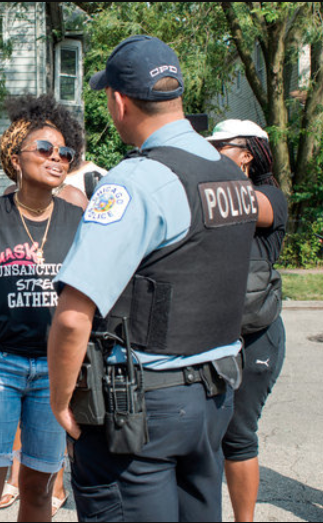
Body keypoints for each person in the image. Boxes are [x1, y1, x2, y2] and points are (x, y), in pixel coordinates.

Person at [48, 35, 259, 522]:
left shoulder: (137, 181)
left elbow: (74, 315)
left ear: (119, 101)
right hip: (215, 397)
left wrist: (60, 401)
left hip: (144, 410)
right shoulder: (228, 173)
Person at [0, 93, 84, 522]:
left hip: (55, 370)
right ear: (16, 156)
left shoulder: (78, 220)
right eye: (44, 149)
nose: (57, 158)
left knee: (39, 490)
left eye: (65, 152)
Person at [208, 119, 287, 523]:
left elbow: (239, 205)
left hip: (256, 334)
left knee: (238, 435)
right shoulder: (207, 189)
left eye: (223, 145)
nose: (214, 149)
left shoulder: (270, 195)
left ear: (248, 153)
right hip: (210, 330)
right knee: (203, 433)